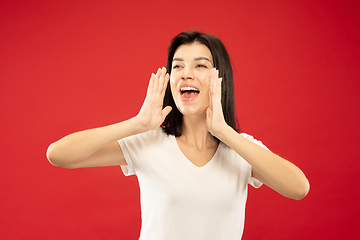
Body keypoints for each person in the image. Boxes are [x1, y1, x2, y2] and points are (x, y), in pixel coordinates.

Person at [47, 31, 310, 239]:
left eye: (200, 66)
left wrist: (224, 133)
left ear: (221, 79)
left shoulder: (240, 150)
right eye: (178, 66)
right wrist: (137, 124)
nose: (186, 73)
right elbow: (58, 155)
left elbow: (299, 188)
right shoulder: (148, 143)